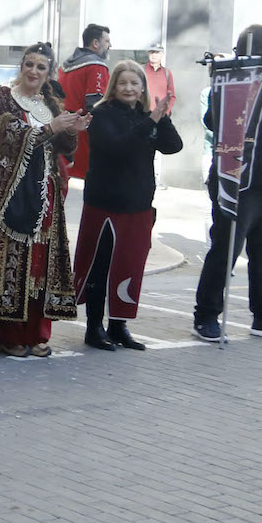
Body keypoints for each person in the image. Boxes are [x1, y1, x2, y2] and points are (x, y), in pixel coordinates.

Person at [191, 24, 262, 343]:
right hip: (240, 182)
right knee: (226, 251)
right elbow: (215, 119)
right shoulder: (237, 78)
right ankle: (206, 315)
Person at [0, 42, 87, 358]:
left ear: (49, 73)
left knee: (40, 260)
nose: (34, 71)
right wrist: (52, 127)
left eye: (41, 67)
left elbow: (65, 150)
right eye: (29, 64)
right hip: (9, 193)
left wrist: (72, 129)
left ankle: (36, 331)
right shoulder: (1, 99)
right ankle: (8, 333)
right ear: (21, 67)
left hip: (45, 193)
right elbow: (9, 137)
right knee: (11, 259)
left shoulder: (51, 103)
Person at [71, 59, 182, 352]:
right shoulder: (102, 115)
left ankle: (119, 326)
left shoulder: (147, 116)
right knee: (100, 268)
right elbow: (120, 147)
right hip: (105, 205)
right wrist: (151, 121)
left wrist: (162, 118)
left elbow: (174, 146)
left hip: (138, 205)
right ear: (114, 87)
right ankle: (94, 328)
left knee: (130, 267)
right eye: (123, 83)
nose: (129, 88)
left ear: (142, 88)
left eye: (135, 83)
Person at [58, 23, 113, 187]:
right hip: (83, 135)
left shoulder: (64, 66)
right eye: (107, 41)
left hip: (62, 128)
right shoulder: (96, 66)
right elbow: (95, 104)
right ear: (95, 43)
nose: (110, 45)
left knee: (60, 182)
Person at [143, 44, 176, 116]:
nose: (154, 55)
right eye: (151, 52)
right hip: (143, 114)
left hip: (162, 115)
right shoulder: (141, 70)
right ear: (148, 54)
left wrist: (166, 112)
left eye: (157, 52)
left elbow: (172, 96)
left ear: (162, 54)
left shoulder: (167, 73)